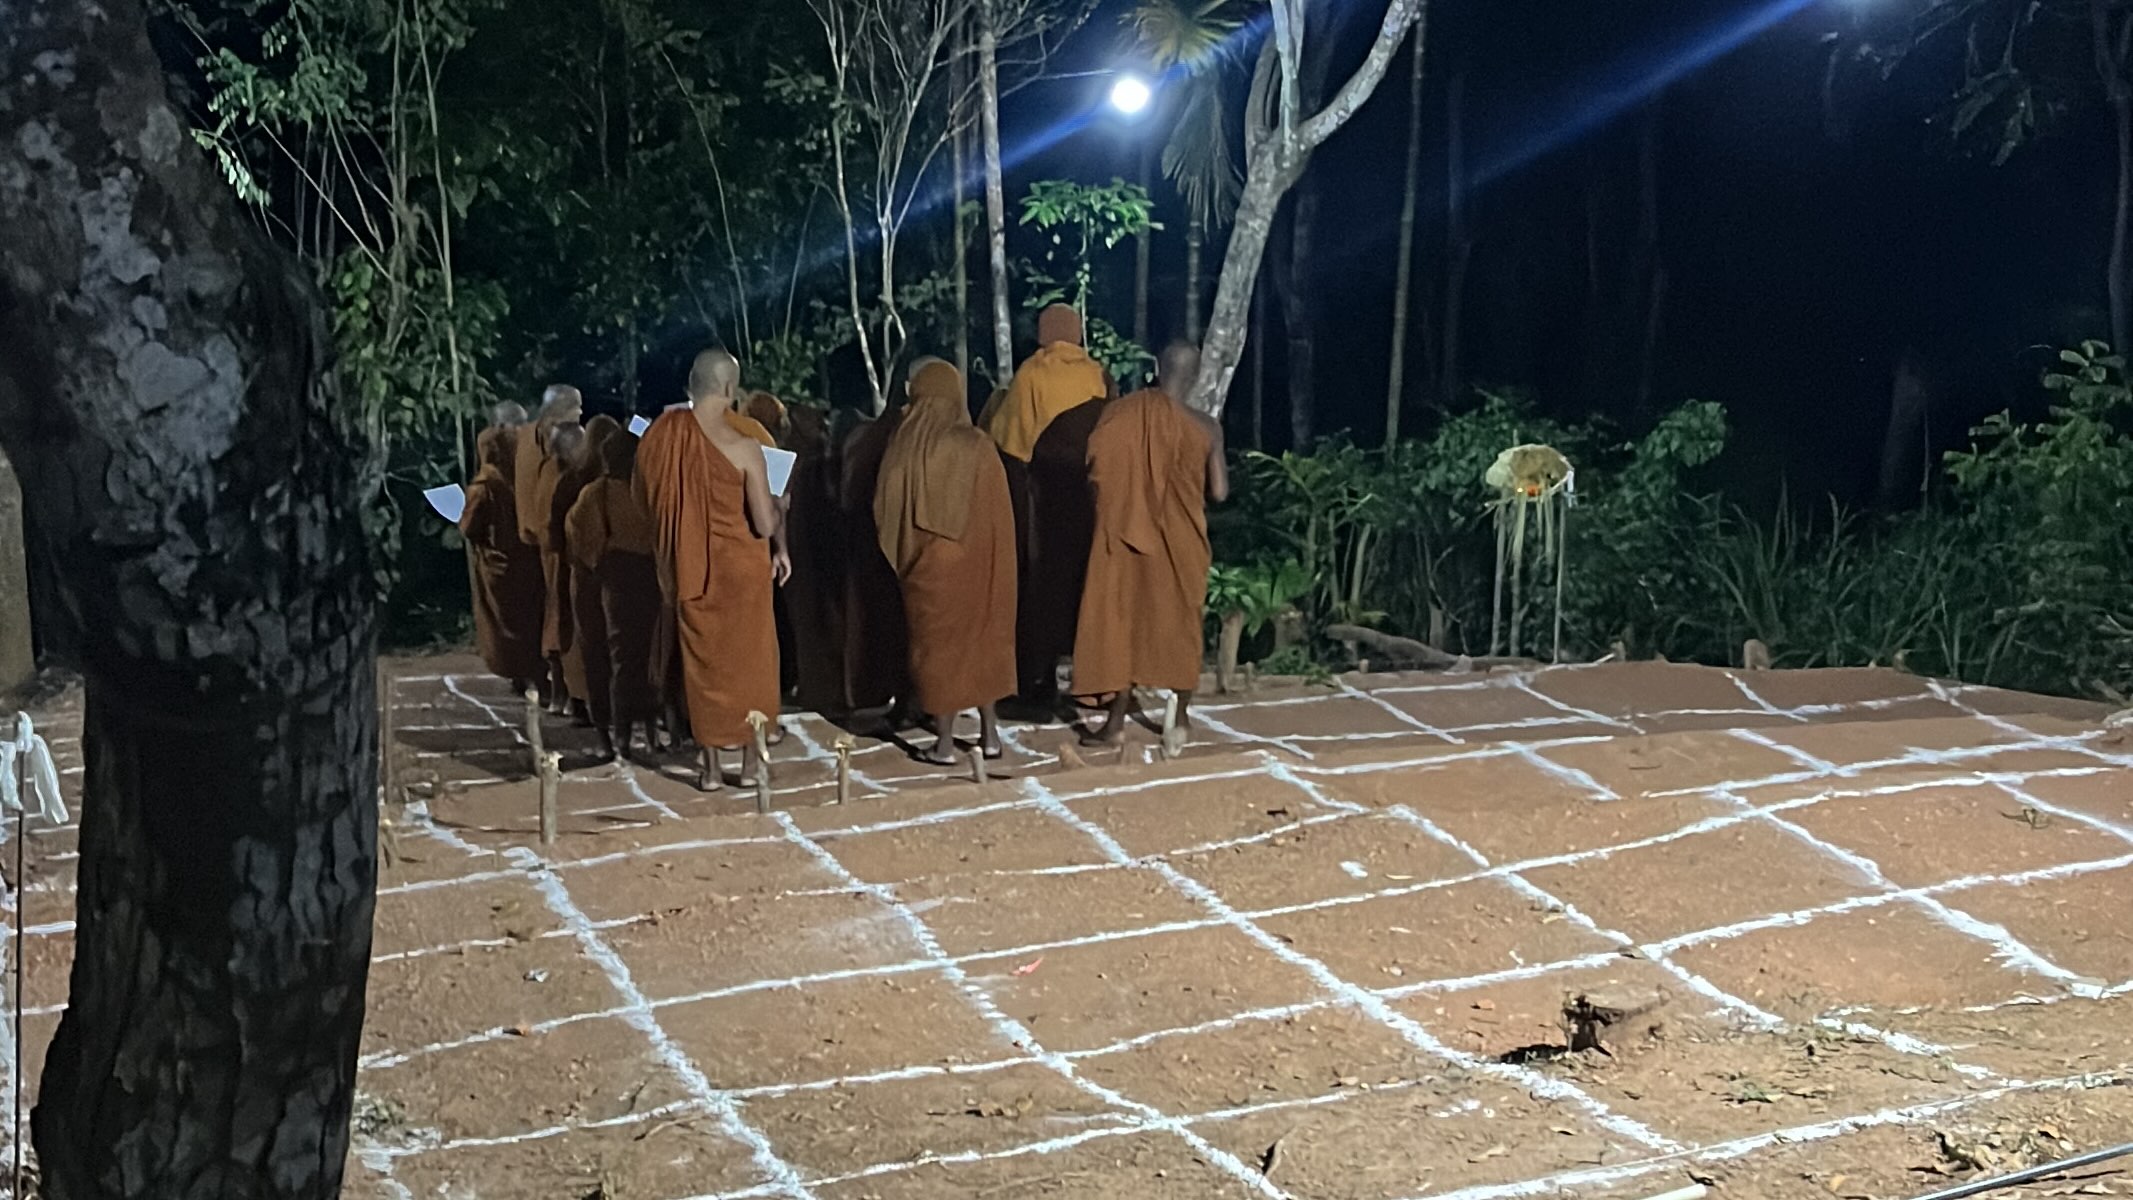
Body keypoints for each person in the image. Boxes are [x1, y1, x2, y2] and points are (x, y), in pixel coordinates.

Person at [638, 349, 792, 791]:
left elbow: (645, 501)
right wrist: (780, 508)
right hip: (742, 574)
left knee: (703, 668)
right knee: (752, 665)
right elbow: (763, 523)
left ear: (693, 385)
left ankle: (708, 769)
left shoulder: (660, 438)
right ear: (728, 389)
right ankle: (749, 765)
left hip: (689, 570)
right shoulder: (744, 446)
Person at [1072, 341, 1228, 751]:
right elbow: (1220, 491)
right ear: (1196, 377)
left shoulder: (1122, 414)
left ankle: (1115, 725)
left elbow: (1095, 470)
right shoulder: (1206, 426)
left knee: (1124, 623)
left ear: (1157, 367)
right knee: (1182, 624)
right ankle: (1181, 720)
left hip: (1126, 534)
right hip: (1181, 539)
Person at [875, 360, 1017, 763]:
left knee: (938, 647)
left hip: (930, 564)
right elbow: (1000, 515)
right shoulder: (978, 444)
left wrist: (909, 549)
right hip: (981, 560)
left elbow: (885, 506)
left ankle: (944, 743)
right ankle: (990, 735)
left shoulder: (905, 441)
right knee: (984, 640)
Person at [567, 423, 662, 762]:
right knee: (643, 657)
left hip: (612, 584)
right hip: (641, 581)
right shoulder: (642, 492)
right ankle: (642, 733)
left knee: (617, 659)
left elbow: (579, 541)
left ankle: (616, 737)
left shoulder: (596, 494)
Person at [461, 408, 543, 692]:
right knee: (530, 619)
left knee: (507, 624)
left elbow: (469, 527)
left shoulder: (483, 487)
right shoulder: (528, 474)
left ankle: (519, 673)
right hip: (528, 558)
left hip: (498, 563)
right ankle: (534, 672)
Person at [515, 384, 582, 708]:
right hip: (557, 545)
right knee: (562, 614)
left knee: (553, 610)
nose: (580, 414)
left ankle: (552, 688)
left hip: (539, 537)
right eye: (575, 407)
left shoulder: (531, 441)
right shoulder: (552, 458)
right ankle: (563, 691)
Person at [558, 416, 621, 750]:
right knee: (622, 652)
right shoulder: (621, 488)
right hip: (617, 581)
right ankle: (626, 730)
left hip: (586, 578)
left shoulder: (575, 483)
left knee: (596, 653)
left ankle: (604, 730)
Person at [986, 305, 1109, 463]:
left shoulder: (1031, 372)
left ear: (1042, 332)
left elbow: (1010, 440)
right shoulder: (1096, 373)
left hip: (1045, 469)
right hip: (1090, 465)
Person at [531, 421, 590, 719]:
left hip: (556, 559)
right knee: (570, 629)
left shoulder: (550, 473)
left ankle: (563, 695)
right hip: (570, 562)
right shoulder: (570, 480)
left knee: (559, 623)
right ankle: (571, 697)